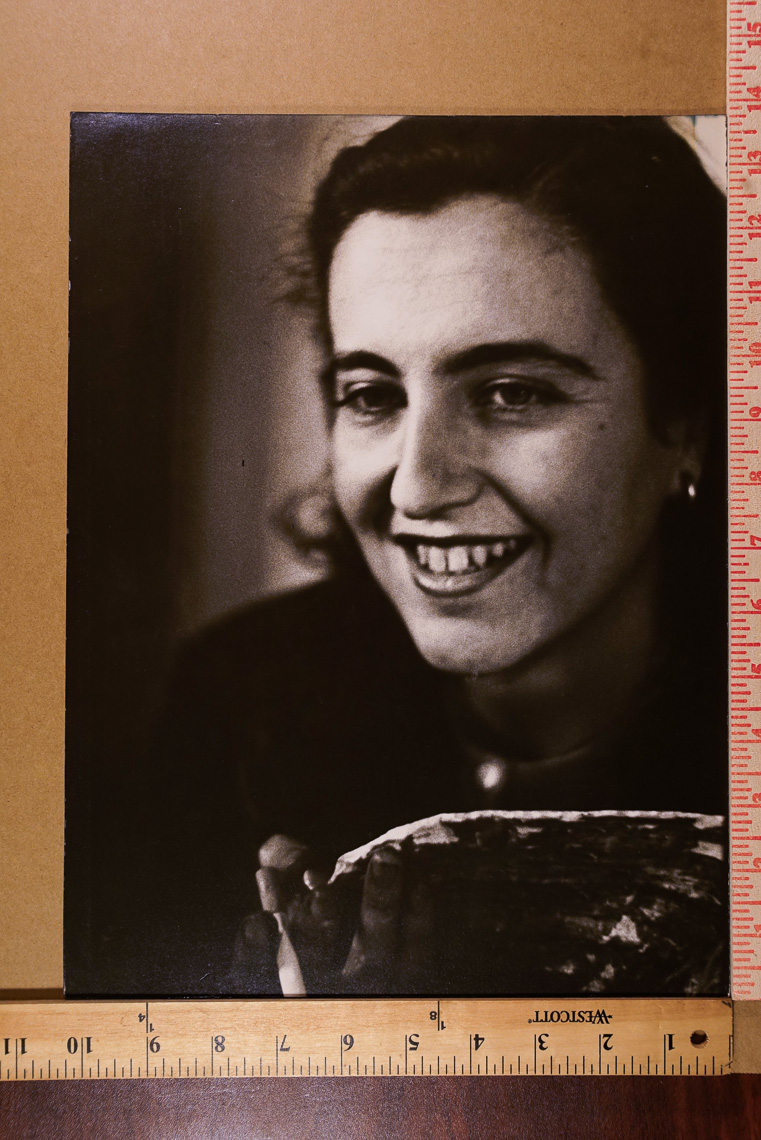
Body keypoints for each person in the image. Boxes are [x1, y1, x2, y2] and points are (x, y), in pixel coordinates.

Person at [111, 116, 727, 997]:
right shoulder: (237, 708)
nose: (416, 486)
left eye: (511, 392)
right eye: (372, 395)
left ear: (685, 427)